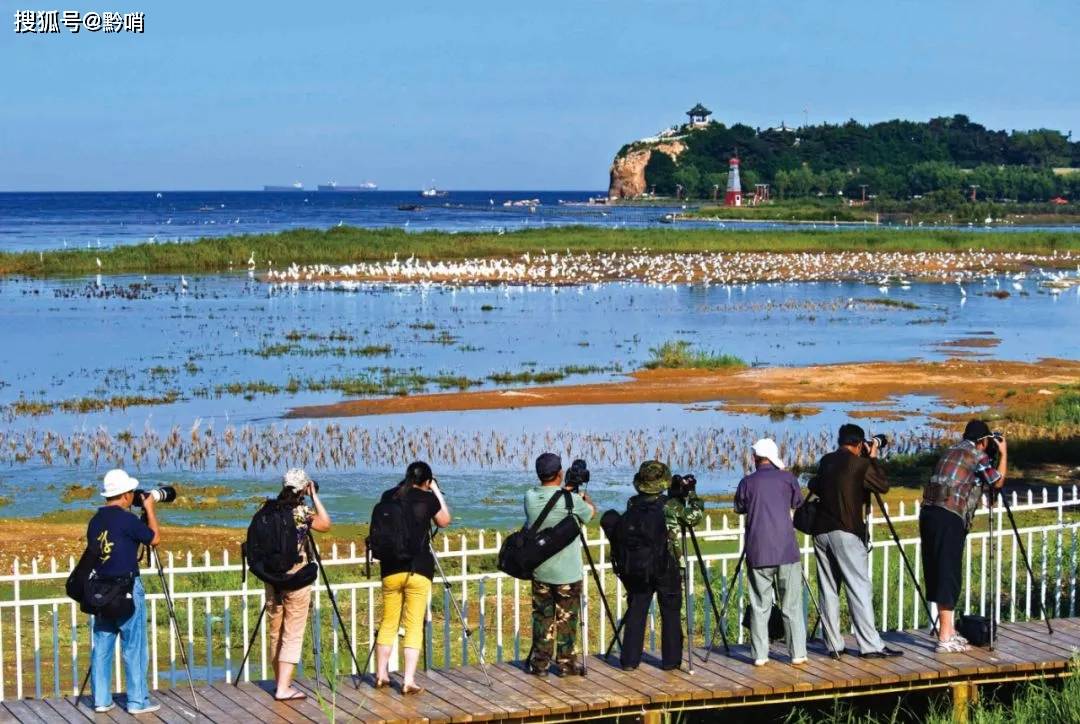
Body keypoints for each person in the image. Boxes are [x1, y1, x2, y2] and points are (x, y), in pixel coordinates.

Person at [808, 424, 903, 659]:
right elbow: (882, 485)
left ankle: (833, 644)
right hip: (846, 531)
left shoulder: (826, 460)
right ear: (860, 444)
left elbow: (815, 485)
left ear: (840, 441)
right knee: (858, 587)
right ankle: (870, 645)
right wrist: (872, 459)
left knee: (828, 588)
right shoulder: (860, 465)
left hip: (820, 531)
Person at [921, 420, 1006, 653]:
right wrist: (1003, 453)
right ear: (983, 441)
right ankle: (945, 638)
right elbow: (996, 481)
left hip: (928, 513)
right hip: (949, 516)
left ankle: (946, 632)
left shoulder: (950, 451)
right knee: (949, 573)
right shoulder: (976, 455)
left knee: (938, 571)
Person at [87, 469, 161, 714]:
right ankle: (137, 701)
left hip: (100, 591)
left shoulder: (95, 520)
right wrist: (149, 508)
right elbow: (154, 539)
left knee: (102, 644)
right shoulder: (128, 520)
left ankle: (101, 700)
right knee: (134, 646)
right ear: (126, 495)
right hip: (127, 588)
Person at [374, 461, 451, 694]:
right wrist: (435, 490)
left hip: (390, 568)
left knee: (388, 622)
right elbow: (444, 521)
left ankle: (381, 675)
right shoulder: (427, 498)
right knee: (414, 625)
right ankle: (408, 680)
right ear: (427, 481)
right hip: (419, 569)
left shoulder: (389, 495)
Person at [619, 460, 703, 671]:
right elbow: (695, 516)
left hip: (639, 565)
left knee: (637, 610)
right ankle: (671, 661)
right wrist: (691, 494)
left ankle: (629, 660)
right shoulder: (671, 506)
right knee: (671, 612)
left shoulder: (632, 503)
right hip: (668, 564)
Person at [733, 439, 808, 666]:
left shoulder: (747, 482)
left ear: (755, 458)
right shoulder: (788, 479)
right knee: (791, 605)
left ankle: (760, 655)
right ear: (774, 457)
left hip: (758, 550)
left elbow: (739, 507)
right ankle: (797, 653)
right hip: (786, 550)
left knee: (759, 605)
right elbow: (798, 502)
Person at [524, 453, 596, 677]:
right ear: (559, 473)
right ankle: (566, 664)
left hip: (541, 570)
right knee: (567, 619)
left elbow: (550, 502)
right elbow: (591, 513)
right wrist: (583, 496)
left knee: (542, 618)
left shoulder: (529, 497)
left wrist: (566, 491)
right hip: (567, 572)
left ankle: (540, 664)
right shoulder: (571, 501)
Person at [265, 468, 331, 701]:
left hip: (273, 579)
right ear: (303, 488)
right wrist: (314, 496)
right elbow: (325, 524)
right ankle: (284, 688)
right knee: (292, 634)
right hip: (296, 577)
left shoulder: (268, 509)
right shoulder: (302, 512)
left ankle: (280, 682)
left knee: (276, 632)